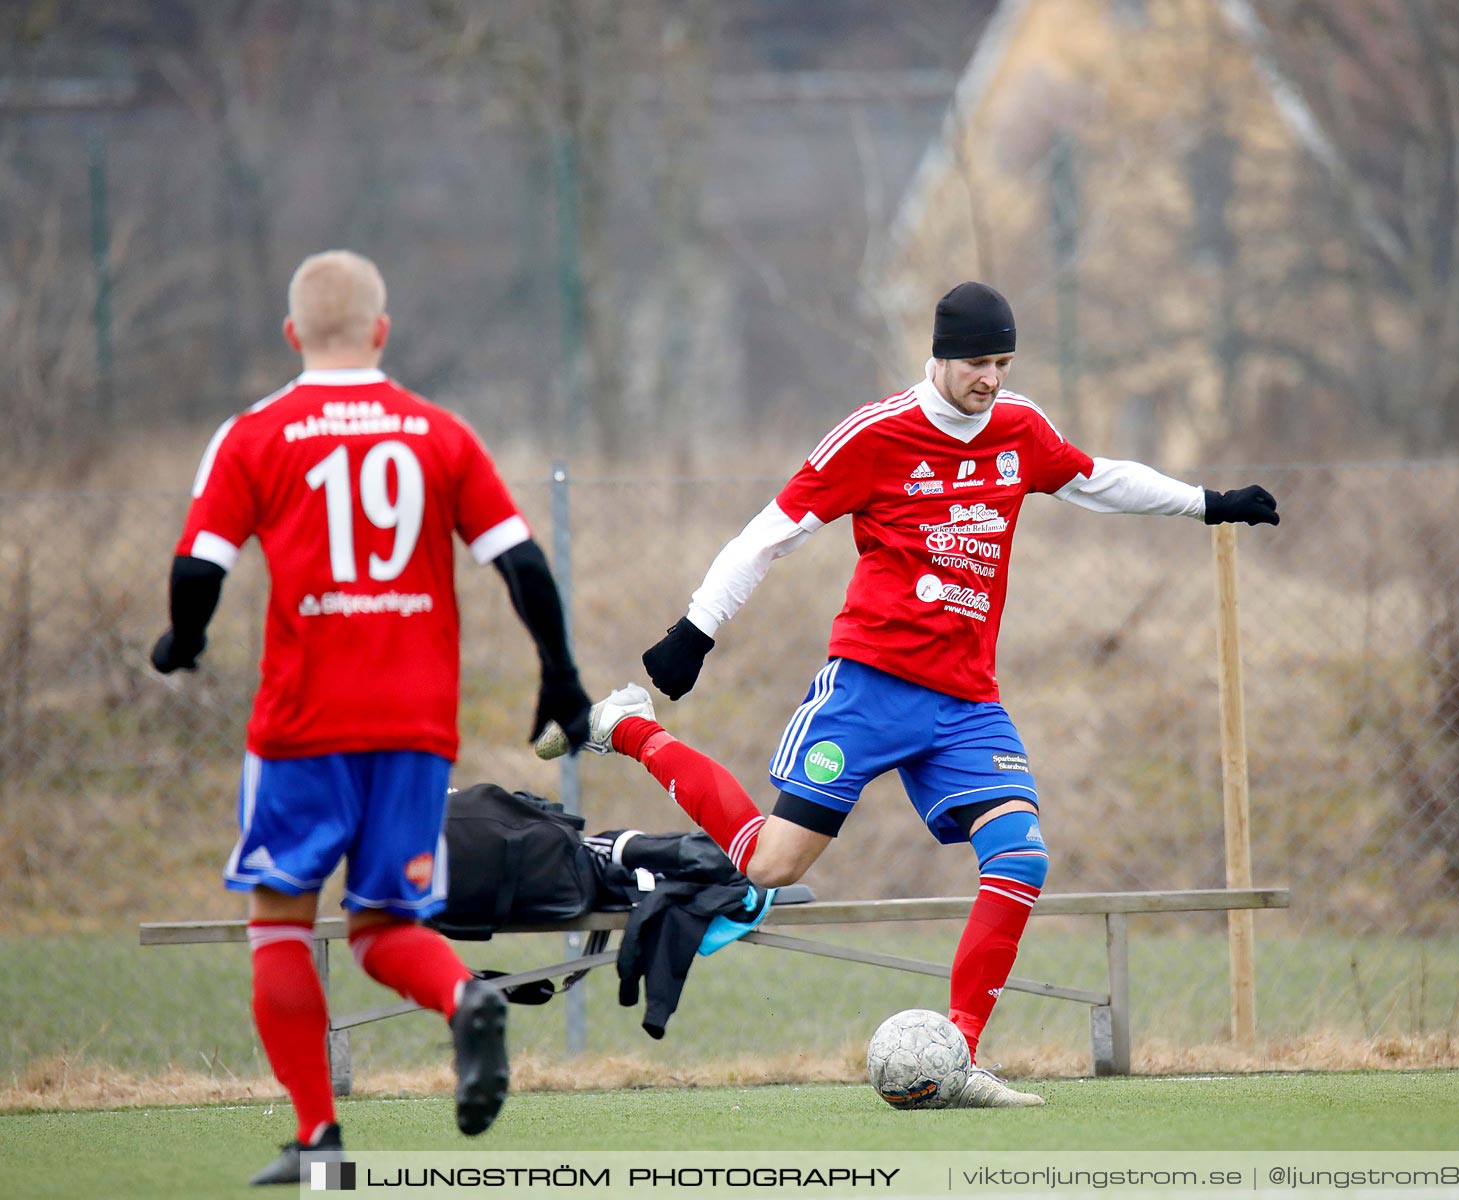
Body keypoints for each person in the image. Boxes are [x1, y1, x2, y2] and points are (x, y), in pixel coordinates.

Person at [556, 282, 1277, 1106]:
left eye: (1003, 361)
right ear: (938, 354)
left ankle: (957, 1056)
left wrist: (1207, 504)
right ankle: (631, 726)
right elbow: (771, 532)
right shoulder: (877, 434)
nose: (992, 378)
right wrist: (696, 630)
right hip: (870, 687)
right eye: (978, 361)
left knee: (1021, 857)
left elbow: (1096, 478)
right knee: (770, 865)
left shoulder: (1018, 429)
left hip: (966, 703)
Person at [151, 250, 595, 1184]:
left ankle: (321, 1145)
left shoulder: (255, 434)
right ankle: (463, 997)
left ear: (292, 335)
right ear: (382, 333)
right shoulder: (438, 433)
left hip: (303, 727)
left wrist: (182, 641)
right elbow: (522, 565)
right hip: (412, 726)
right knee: (384, 924)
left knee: (279, 925)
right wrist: (559, 678)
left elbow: (199, 570)